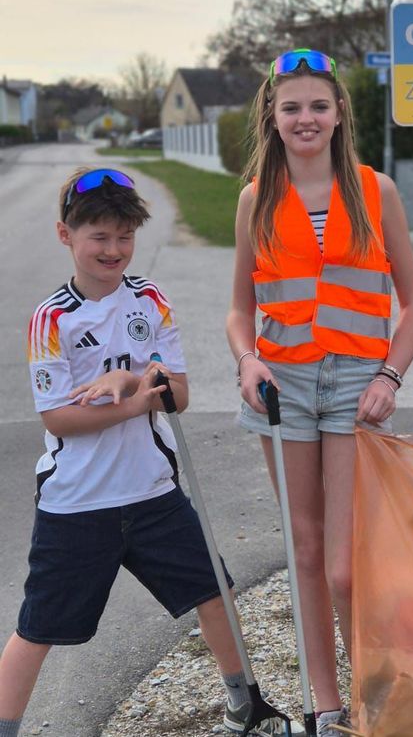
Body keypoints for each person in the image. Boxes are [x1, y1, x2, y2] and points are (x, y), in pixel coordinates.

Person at [0, 168, 281, 737]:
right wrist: (133, 403)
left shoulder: (150, 299)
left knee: (216, 593)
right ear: (65, 235)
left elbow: (178, 394)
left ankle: (245, 706)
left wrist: (132, 379)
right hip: (77, 503)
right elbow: (58, 418)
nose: (113, 249)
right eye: (99, 237)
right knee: (38, 627)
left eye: (124, 236)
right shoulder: (51, 318)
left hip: (153, 491)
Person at [226, 49, 413, 735]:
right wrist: (247, 361)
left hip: (354, 386)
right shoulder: (256, 198)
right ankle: (325, 704)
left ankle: (372, 688)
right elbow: (238, 310)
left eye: (318, 105)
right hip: (280, 386)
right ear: (273, 117)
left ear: (340, 112)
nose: (305, 118)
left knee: (345, 567)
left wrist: (389, 375)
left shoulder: (376, 190)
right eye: (292, 108)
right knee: (306, 551)